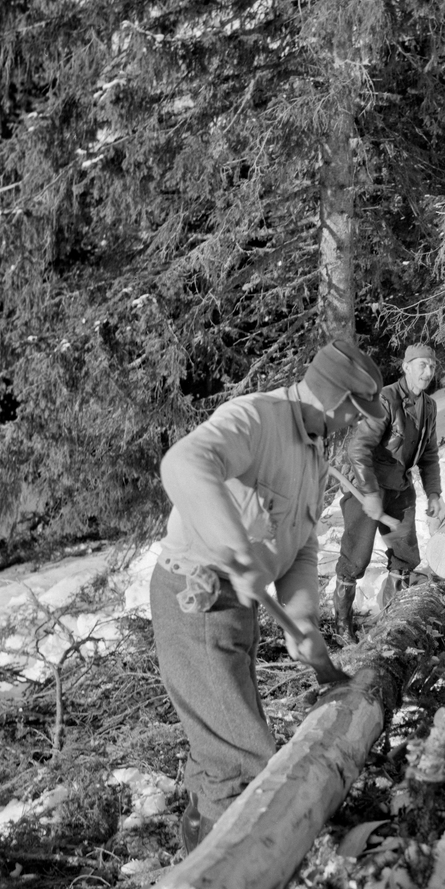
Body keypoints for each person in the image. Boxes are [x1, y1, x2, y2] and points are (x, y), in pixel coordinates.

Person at [150, 339, 385, 853]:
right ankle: (225, 884)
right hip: (200, 598)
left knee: (226, 732)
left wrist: (302, 621)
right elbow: (183, 465)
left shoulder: (315, 451)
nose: (355, 425)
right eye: (355, 413)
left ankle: (201, 836)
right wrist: (236, 552)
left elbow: (300, 549)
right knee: (242, 759)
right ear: (339, 400)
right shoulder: (255, 418)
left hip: (236, 607)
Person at [333, 343, 445, 643]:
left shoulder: (429, 406)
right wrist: (369, 492)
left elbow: (430, 454)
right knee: (356, 558)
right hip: (367, 485)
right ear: (406, 367)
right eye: (421, 365)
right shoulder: (386, 400)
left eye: (432, 366)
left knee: (406, 557)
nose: (428, 372)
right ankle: (342, 623)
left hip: (399, 486)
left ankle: (391, 623)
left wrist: (434, 492)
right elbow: (357, 448)